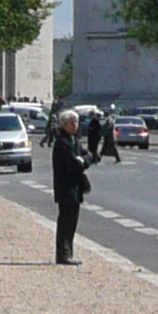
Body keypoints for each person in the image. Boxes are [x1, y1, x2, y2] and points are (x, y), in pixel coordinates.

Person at [50, 109, 92, 264]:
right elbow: (73, 164)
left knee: (72, 222)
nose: (75, 125)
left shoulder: (74, 140)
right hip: (66, 187)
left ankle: (68, 252)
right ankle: (63, 254)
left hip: (76, 187)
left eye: (76, 122)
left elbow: (88, 156)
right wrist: (81, 161)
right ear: (64, 125)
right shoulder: (62, 143)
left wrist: (83, 160)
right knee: (65, 222)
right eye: (71, 123)